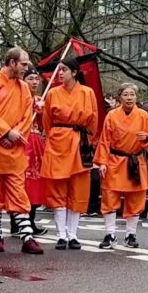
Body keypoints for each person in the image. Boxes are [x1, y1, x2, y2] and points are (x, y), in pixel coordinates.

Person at [0, 47, 44, 255]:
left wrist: (15, 135)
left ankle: (27, 237)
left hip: (13, 149)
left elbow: (26, 116)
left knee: (18, 194)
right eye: (23, 64)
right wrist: (4, 133)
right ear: (11, 63)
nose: (26, 68)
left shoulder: (23, 88)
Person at [42, 57, 99, 250]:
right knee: (58, 188)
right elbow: (47, 121)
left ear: (74, 72)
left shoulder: (87, 92)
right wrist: (56, 136)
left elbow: (93, 120)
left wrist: (87, 141)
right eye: (59, 70)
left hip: (79, 141)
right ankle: (60, 234)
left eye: (64, 69)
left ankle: (73, 234)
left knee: (78, 188)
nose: (60, 73)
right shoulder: (53, 93)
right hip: (58, 141)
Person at [95, 83, 148, 249]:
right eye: (126, 95)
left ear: (136, 97)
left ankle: (131, 234)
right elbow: (104, 140)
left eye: (132, 95)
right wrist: (102, 162)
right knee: (110, 196)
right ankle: (110, 233)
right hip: (115, 160)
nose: (129, 98)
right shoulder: (111, 115)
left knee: (136, 198)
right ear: (119, 98)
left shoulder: (143, 115)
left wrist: (146, 138)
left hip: (135, 161)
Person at [21, 65, 48, 237]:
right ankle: (20, 220)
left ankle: (30, 219)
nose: (34, 82)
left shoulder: (40, 99)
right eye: (30, 78)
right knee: (21, 183)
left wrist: (42, 111)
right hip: (23, 141)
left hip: (36, 142)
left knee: (36, 183)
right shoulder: (19, 98)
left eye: (36, 79)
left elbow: (45, 125)